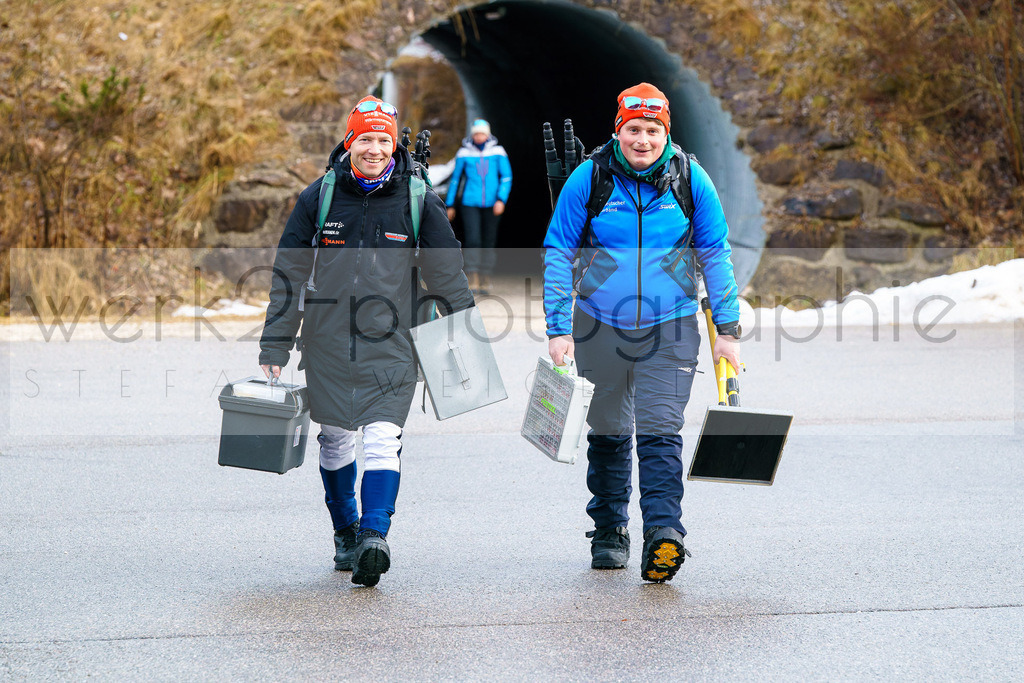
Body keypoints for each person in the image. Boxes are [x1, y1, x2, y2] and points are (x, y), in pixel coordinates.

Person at [258, 96, 474, 587]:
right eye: (366, 139)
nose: (375, 149)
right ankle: (346, 533)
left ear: (394, 145)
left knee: (382, 438)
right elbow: (288, 274)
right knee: (335, 440)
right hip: (327, 343)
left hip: (393, 344)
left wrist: (465, 334)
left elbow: (447, 274)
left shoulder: (418, 199)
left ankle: (375, 535)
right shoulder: (320, 197)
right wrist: (275, 345)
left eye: (383, 140)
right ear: (350, 141)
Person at [543, 83, 742, 583]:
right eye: (634, 129)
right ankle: (610, 530)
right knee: (608, 430)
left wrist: (728, 329)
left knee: (659, 428)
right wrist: (559, 327)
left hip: (670, 324)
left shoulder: (691, 180)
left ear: (666, 133)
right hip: (598, 323)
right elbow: (559, 252)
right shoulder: (589, 179)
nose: (643, 140)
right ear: (619, 130)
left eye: (653, 131)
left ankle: (664, 533)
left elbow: (715, 253)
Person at [445, 118, 512, 295]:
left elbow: (506, 177)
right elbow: (455, 180)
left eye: (482, 133)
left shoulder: (498, 152)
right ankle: (472, 275)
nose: (479, 137)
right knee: (473, 239)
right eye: (476, 134)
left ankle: (485, 277)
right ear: (472, 135)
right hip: (469, 202)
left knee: (488, 240)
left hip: (492, 203)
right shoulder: (464, 153)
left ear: (488, 134)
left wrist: (501, 199)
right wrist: (450, 204)